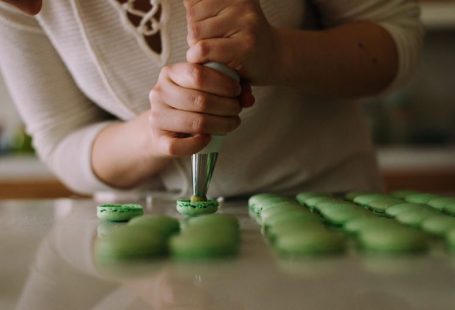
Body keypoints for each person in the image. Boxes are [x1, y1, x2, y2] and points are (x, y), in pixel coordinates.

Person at [0, 0, 423, 198]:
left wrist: (279, 54)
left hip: (323, 218)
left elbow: (395, 34)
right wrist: (155, 132)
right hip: (142, 261)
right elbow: (62, 140)